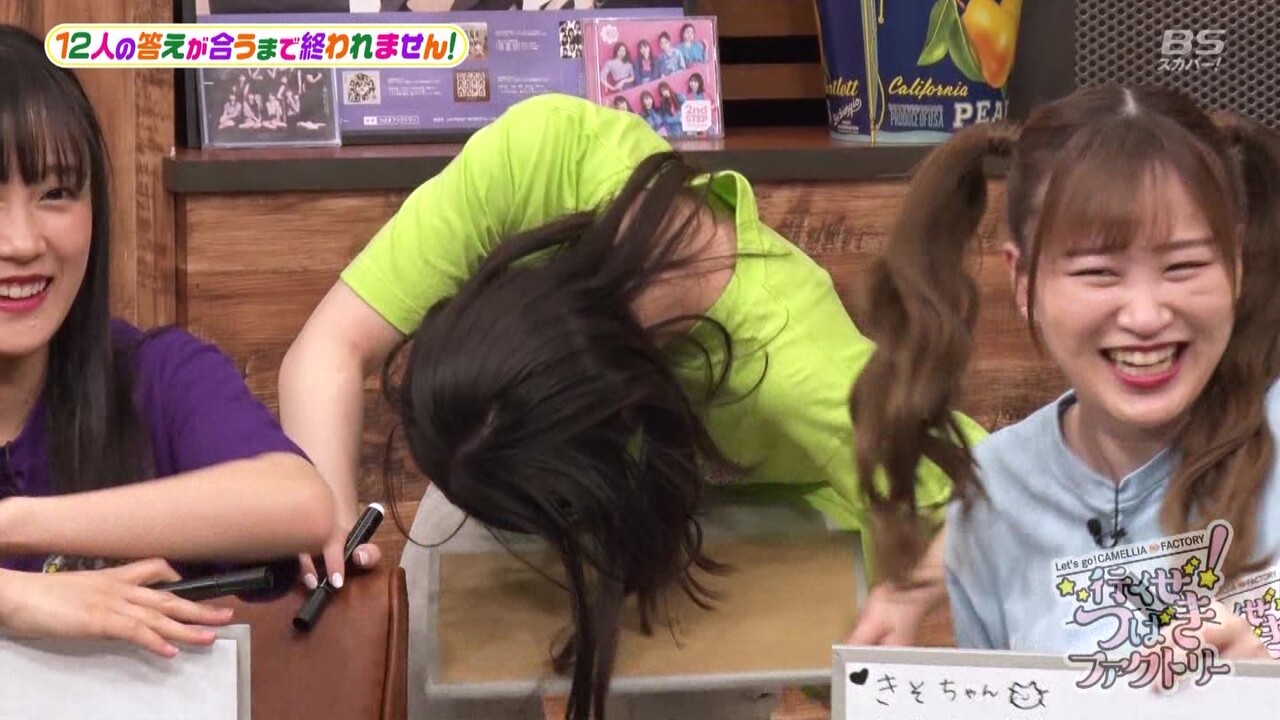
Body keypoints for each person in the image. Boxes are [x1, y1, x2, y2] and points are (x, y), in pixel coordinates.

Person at [279, 91, 985, 719]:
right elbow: (325, 352)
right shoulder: (535, 161)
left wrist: (905, 595)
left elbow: (991, 490)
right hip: (550, 452)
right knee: (428, 608)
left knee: (669, 688)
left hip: (738, 519)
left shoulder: (796, 370)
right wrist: (326, 519)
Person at [847, 84, 1280, 659]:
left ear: (1236, 266)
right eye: (1099, 272)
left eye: (1184, 266)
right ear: (1023, 280)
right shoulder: (995, 496)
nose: (1146, 316)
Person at [0, 25, 333, 657]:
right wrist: (12, 598)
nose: (21, 242)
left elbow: (299, 504)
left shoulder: (157, 375)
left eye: (56, 193)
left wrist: (13, 524)